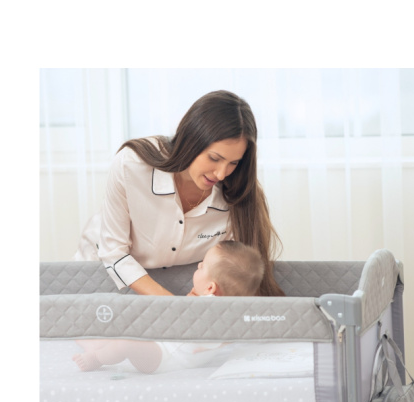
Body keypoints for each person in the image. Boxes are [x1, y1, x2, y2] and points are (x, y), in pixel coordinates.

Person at [74, 90, 284, 297]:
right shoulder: (131, 166)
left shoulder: (238, 195)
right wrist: (175, 307)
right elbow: (114, 252)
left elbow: (236, 277)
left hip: (178, 290)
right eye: (214, 158)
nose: (221, 173)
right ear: (191, 141)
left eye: (233, 163)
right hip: (104, 270)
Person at [72, 241, 264, 373]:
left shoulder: (208, 311)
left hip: (163, 358)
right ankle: (91, 345)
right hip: (161, 343)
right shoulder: (226, 313)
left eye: (202, 267)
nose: (198, 265)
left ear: (210, 288)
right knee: (118, 337)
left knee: (126, 343)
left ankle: (96, 359)